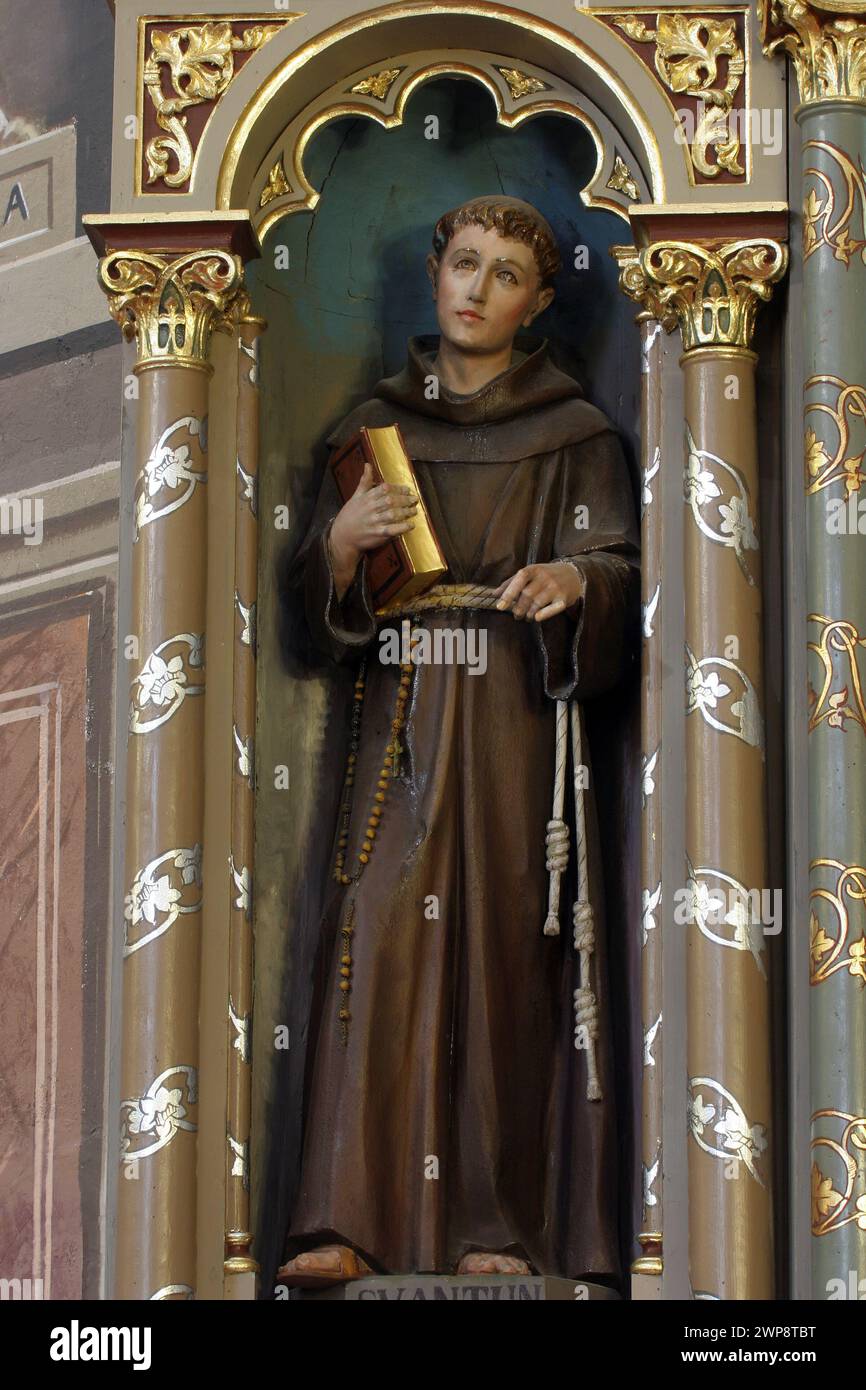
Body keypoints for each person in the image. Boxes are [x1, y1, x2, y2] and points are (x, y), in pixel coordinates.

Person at [278, 195, 639, 1288]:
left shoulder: (573, 431)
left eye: (506, 275)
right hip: (396, 715)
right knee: (375, 939)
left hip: (513, 718)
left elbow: (621, 569)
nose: (477, 290)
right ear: (436, 274)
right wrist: (337, 548)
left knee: (501, 958)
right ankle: (347, 1218)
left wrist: (577, 578)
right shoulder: (373, 429)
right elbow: (310, 614)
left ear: (536, 300)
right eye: (464, 265)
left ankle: (501, 1228)